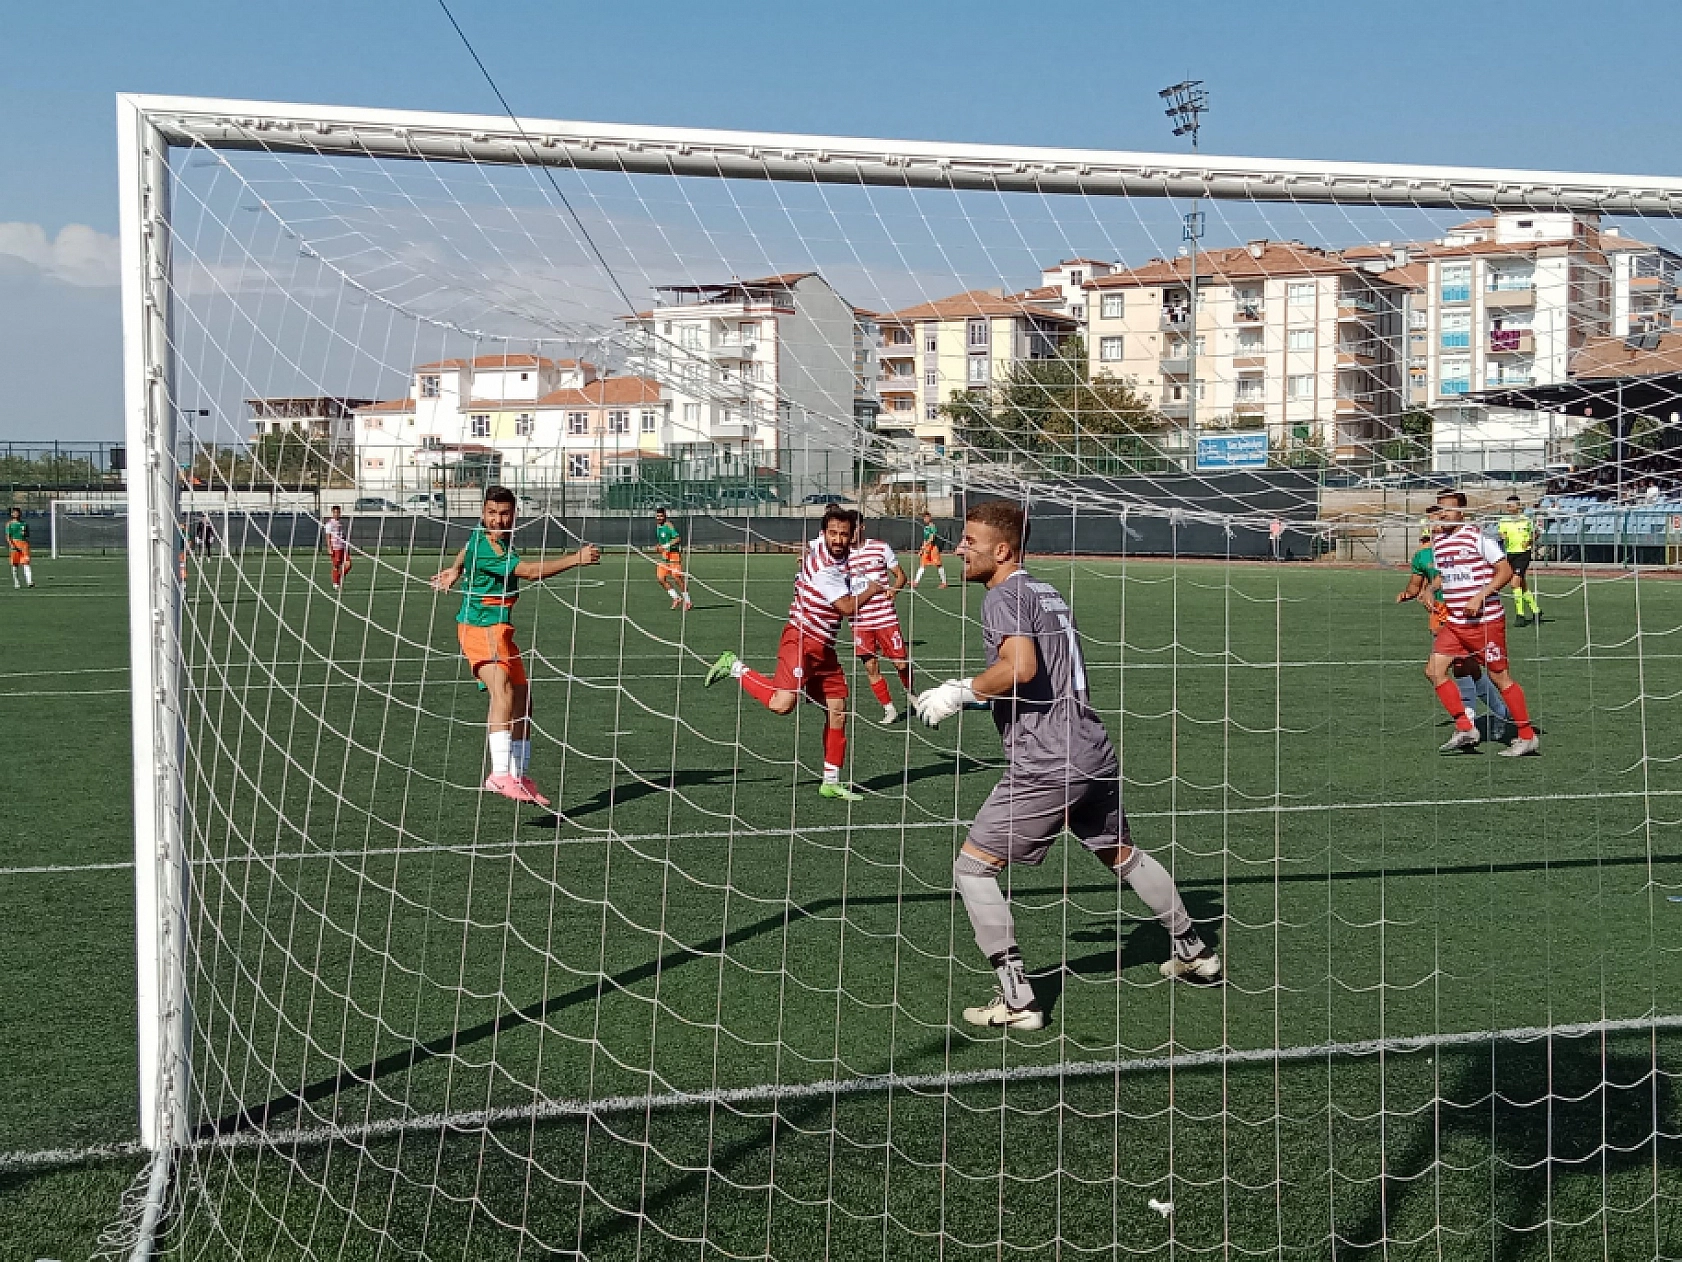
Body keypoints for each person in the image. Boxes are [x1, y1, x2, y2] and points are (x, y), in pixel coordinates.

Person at [916, 499, 1220, 1031]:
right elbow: (1041, 677)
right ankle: (1196, 953)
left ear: (1003, 550)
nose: (959, 548)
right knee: (1121, 853)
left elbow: (1020, 666)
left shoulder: (1004, 595)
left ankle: (1017, 1002)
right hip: (1091, 747)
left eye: (970, 541)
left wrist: (960, 691)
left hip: (1048, 759)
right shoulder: (1046, 592)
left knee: (972, 869)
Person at [430, 486, 601, 805]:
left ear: (514, 514)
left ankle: (518, 776)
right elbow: (531, 573)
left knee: (523, 699)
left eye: (504, 513)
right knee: (504, 693)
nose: (497, 519)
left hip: (499, 629)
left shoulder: (483, 537)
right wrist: (577, 559)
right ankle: (498, 775)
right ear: (483, 513)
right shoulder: (491, 549)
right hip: (479, 628)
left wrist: (456, 569)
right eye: (491, 513)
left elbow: (465, 551)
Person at [703, 504, 884, 801]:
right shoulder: (825, 568)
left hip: (824, 647)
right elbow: (848, 608)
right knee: (781, 705)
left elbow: (813, 551)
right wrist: (873, 588)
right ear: (824, 533)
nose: (838, 539)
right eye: (833, 533)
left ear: (852, 536)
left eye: (844, 534)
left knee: (838, 711)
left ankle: (831, 781)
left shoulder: (827, 551)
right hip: (801, 639)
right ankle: (734, 666)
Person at [1429, 490, 1539, 756]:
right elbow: (1449, 574)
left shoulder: (1478, 538)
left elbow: (1505, 571)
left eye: (1449, 509)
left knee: (1500, 677)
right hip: (1455, 623)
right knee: (1434, 670)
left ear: (1461, 513)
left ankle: (1527, 736)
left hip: (1485, 622)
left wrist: (1480, 596)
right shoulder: (1439, 542)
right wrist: (1430, 589)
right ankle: (1466, 727)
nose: (1444, 514)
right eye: (1440, 509)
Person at [845, 516, 916, 724]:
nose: (851, 532)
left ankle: (912, 693)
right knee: (870, 666)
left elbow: (900, 576)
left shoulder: (880, 548)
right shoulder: (841, 556)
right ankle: (889, 709)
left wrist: (894, 591)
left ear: (862, 527)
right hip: (859, 621)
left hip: (885, 617)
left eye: (854, 528)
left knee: (901, 664)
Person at [1497, 495, 1541, 626]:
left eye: (1512, 505)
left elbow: (1536, 533)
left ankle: (1520, 615)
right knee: (1521, 583)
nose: (1509, 507)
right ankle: (1536, 611)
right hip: (1511, 554)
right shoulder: (1504, 520)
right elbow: (1501, 534)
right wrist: (1502, 535)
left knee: (1514, 583)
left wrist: (1530, 541)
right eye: (1508, 505)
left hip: (1523, 554)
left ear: (1519, 506)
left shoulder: (1526, 520)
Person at [653, 507, 692, 611]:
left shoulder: (668, 525)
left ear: (665, 516)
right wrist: (659, 546)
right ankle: (676, 598)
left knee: (677, 578)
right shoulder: (658, 526)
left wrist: (665, 546)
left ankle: (687, 601)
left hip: (674, 555)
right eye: (657, 516)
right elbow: (662, 541)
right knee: (660, 578)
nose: (659, 518)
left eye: (661, 516)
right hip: (665, 556)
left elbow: (677, 538)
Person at [912, 511, 948, 589]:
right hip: (927, 548)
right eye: (924, 517)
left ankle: (944, 583)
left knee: (938, 564)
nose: (924, 519)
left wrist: (925, 546)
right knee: (922, 564)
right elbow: (925, 539)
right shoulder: (926, 527)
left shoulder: (932, 527)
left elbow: (931, 538)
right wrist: (922, 549)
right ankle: (915, 582)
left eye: (926, 517)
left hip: (933, 548)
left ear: (929, 518)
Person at [324, 505, 351, 590]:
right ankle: (335, 583)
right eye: (335, 512)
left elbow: (343, 535)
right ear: (332, 513)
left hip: (342, 547)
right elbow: (328, 536)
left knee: (348, 565)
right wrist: (329, 547)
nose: (336, 514)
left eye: (338, 512)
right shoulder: (329, 524)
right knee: (336, 565)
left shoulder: (341, 523)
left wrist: (347, 545)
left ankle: (338, 577)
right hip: (335, 548)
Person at [6, 508, 33, 589]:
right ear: (12, 514)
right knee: (15, 565)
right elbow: (8, 536)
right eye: (15, 513)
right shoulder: (9, 524)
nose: (17, 514)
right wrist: (11, 545)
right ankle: (16, 582)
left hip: (24, 544)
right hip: (15, 544)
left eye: (18, 513)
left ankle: (29, 581)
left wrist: (25, 534)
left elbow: (27, 534)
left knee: (26, 563)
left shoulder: (24, 524)